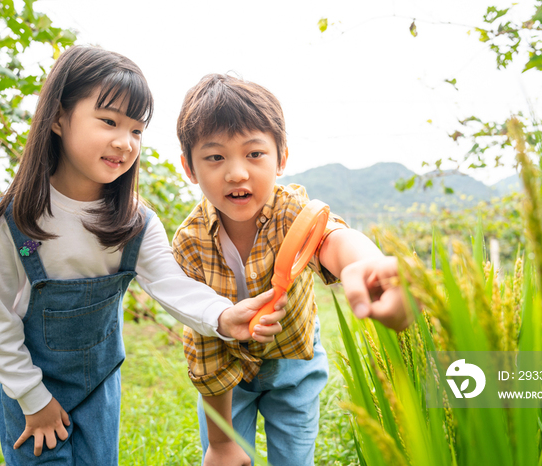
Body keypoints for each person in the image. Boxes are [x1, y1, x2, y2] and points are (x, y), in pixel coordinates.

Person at [0, 47, 286, 465]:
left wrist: (223, 316)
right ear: (58, 117)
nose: (124, 142)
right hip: (29, 391)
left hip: (99, 390)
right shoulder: (16, 217)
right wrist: (33, 398)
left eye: (137, 131)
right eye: (109, 122)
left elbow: (173, 285)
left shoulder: (134, 222)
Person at [173, 73, 413, 466]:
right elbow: (204, 344)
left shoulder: (291, 213)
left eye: (254, 154)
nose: (236, 173)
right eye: (215, 157)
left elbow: (328, 236)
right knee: (226, 458)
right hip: (225, 378)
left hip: (294, 367)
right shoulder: (189, 243)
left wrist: (366, 266)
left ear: (281, 157)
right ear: (189, 167)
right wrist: (219, 444)